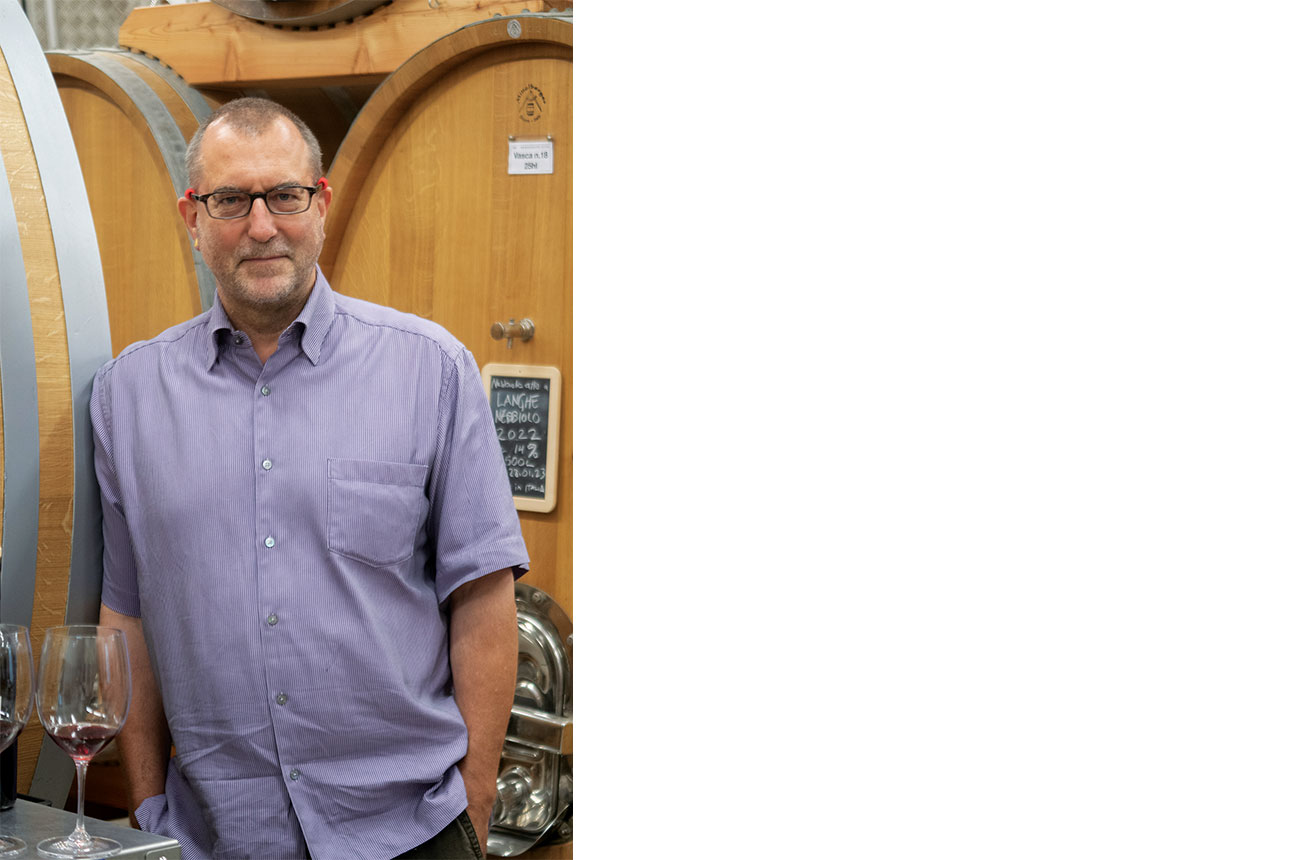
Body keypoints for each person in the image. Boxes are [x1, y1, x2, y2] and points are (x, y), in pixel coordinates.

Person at [91, 97, 529, 860]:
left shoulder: (431, 371)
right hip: (214, 838)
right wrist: (147, 801)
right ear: (193, 218)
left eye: (284, 196)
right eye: (230, 201)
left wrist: (475, 810)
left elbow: (483, 600)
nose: (260, 227)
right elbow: (125, 619)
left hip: (411, 831)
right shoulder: (127, 395)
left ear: (320, 204)